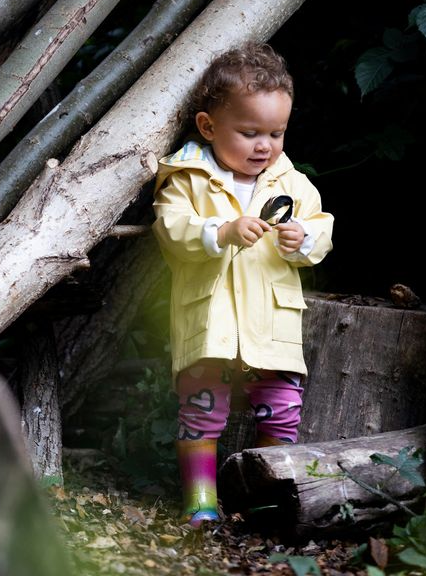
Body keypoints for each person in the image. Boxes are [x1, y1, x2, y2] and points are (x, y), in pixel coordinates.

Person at [152, 42, 334, 527]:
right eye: (249, 132)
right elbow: (171, 229)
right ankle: (201, 502)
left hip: (270, 323)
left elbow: (322, 229)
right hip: (209, 321)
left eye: (276, 133)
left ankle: (264, 501)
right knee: (201, 411)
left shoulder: (291, 182)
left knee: (280, 410)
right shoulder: (187, 178)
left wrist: (303, 238)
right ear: (209, 127)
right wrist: (220, 231)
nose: (264, 146)